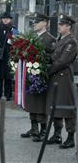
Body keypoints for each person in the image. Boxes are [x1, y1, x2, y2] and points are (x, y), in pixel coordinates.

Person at [21, 13, 56, 141]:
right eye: (34, 21)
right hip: (31, 73)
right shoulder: (33, 37)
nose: (34, 23)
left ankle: (43, 129)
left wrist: (38, 62)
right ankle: (34, 127)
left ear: (45, 23)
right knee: (31, 101)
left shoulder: (50, 39)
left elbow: (52, 57)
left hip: (41, 75)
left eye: (37, 21)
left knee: (40, 102)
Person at [46, 15, 77, 149]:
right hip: (55, 78)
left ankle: (70, 137)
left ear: (68, 26)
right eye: (59, 24)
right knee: (55, 105)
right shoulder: (60, 39)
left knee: (66, 106)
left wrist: (47, 71)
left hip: (63, 78)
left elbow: (62, 61)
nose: (59, 26)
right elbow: (53, 56)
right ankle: (57, 133)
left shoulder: (71, 42)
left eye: (62, 24)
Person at [0, 12, 18, 101]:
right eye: (4, 18)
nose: (5, 20)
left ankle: (8, 94)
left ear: (10, 19)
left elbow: (16, 42)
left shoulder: (13, 29)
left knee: (8, 76)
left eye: (7, 18)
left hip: (8, 55)